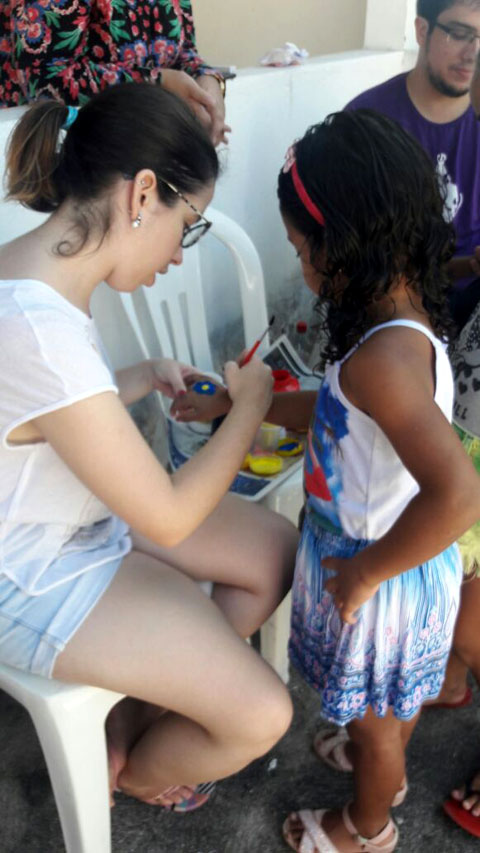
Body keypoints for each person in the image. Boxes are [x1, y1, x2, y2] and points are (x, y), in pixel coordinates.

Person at [175, 108, 480, 850]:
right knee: (388, 710)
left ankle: (366, 824)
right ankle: (382, 759)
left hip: (377, 572)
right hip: (394, 565)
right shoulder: (397, 325)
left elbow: (460, 494)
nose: (304, 269)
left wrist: (366, 573)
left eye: (301, 250)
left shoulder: (384, 360)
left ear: (346, 244)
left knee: (377, 728)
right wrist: (242, 404)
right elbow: (338, 410)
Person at [0, 82, 298, 811]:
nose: (179, 253)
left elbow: (43, 412)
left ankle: (134, 714)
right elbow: (167, 517)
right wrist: (250, 406)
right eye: (186, 224)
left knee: (276, 552)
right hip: (35, 570)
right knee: (264, 714)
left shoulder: (35, 272)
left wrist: (140, 375)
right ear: (140, 194)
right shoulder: (36, 326)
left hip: (75, 512)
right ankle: (137, 774)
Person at [346, 0, 480, 329]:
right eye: (459, 34)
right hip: (390, 308)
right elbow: (357, 255)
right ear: (422, 30)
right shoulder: (365, 123)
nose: (473, 53)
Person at [0, 0, 229, 145]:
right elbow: (44, 80)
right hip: (56, 152)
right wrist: (156, 82)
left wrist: (208, 80)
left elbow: (183, 51)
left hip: (145, 142)